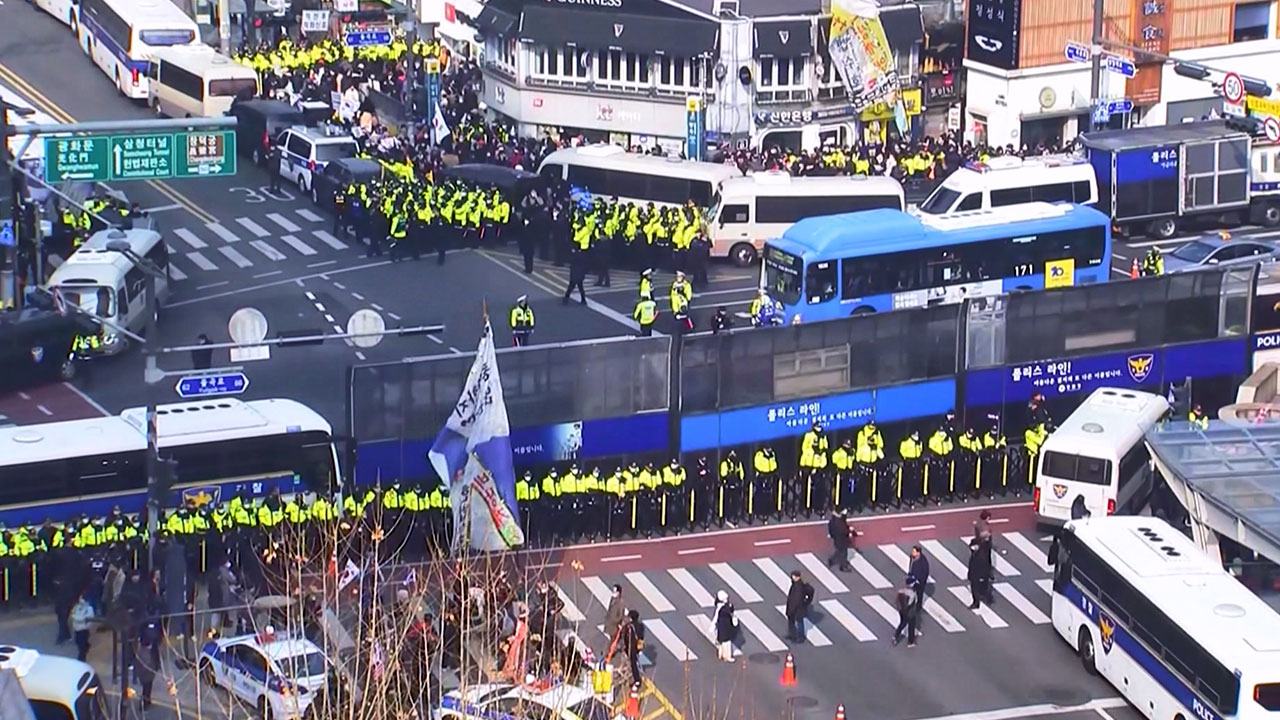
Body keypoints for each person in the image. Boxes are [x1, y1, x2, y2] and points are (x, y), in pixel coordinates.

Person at [784, 571, 814, 644]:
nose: (792, 577)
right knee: (791, 621)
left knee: (799, 622)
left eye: (794, 576)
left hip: (797, 608)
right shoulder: (796, 584)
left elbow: (796, 600)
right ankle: (792, 634)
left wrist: (792, 609)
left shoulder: (799, 587)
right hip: (794, 607)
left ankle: (801, 637)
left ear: (798, 577)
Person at [966, 535, 994, 609]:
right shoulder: (976, 542)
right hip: (976, 567)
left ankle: (983, 595)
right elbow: (972, 548)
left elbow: (988, 558)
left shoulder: (987, 545)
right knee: (974, 584)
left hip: (982, 566)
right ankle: (976, 602)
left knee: (983, 582)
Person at [891, 580, 918, 648]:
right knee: (911, 626)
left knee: (903, 623)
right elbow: (910, 603)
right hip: (909, 612)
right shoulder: (912, 593)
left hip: (901, 610)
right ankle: (910, 642)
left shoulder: (901, 591)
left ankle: (896, 636)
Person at [712, 590, 736, 662]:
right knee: (726, 642)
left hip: (721, 627)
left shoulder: (719, 607)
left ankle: (720, 654)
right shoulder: (723, 608)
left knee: (722, 641)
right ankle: (726, 656)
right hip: (725, 627)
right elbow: (729, 612)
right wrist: (731, 607)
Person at [826, 508, 854, 572]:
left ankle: (832, 560)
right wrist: (849, 531)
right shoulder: (839, 523)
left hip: (836, 539)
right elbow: (844, 531)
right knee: (843, 553)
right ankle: (843, 566)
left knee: (839, 551)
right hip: (842, 540)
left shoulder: (832, 521)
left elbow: (831, 530)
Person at [71, 592, 94, 661]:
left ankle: (81, 658)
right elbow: (73, 614)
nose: (80, 600)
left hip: (83, 629)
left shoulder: (89, 608)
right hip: (77, 628)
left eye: (82, 598)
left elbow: (86, 618)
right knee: (78, 642)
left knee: (82, 645)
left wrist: (77, 618)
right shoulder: (77, 607)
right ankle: (86, 646)